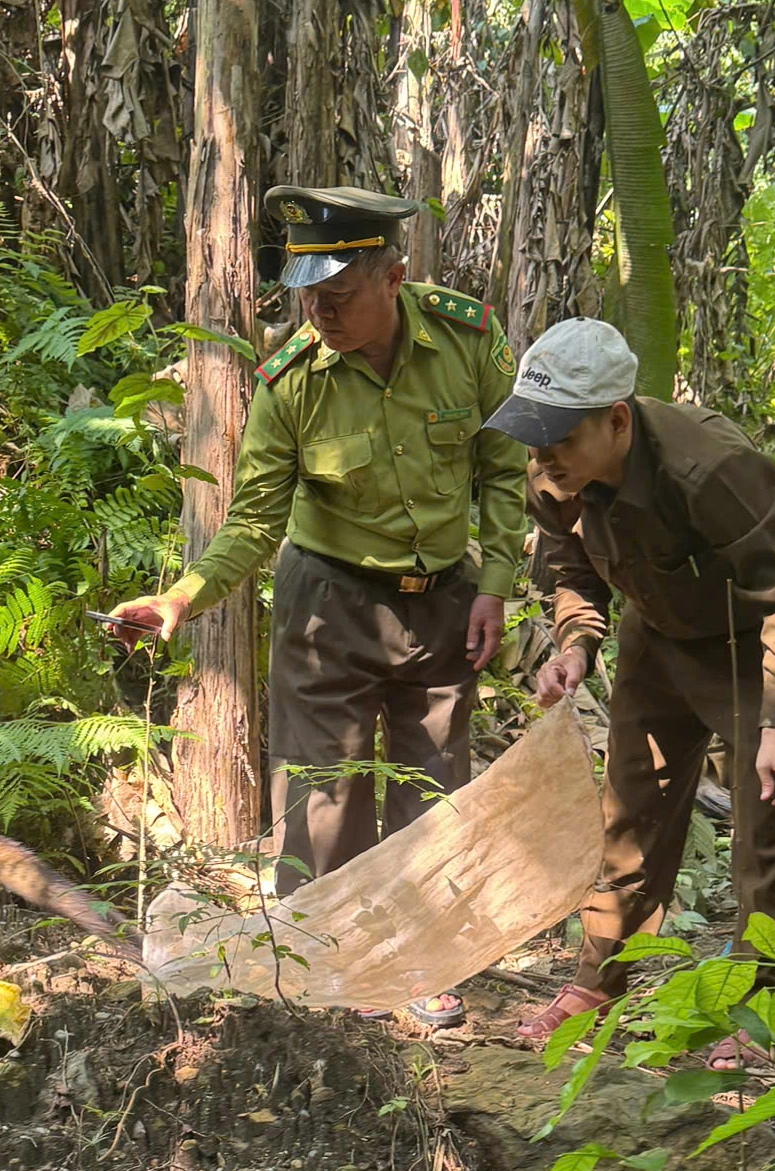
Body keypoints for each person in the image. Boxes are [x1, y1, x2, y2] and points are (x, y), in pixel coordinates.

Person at [110, 184, 528, 1028]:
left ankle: (422, 963)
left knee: (430, 792)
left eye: (336, 295)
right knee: (322, 800)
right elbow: (255, 519)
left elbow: (503, 470)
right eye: (307, 294)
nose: (318, 313)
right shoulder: (290, 381)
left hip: (443, 601)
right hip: (327, 603)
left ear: (394, 278)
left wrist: (494, 588)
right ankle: (320, 973)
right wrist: (183, 597)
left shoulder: (466, 341)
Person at [482, 318, 775, 1063]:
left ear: (615, 419)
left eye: (559, 440)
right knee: (629, 812)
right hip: (654, 639)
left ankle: (757, 1004)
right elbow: (569, 566)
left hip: (745, 646)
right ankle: (598, 978)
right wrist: (575, 644)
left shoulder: (712, 468)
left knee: (762, 826)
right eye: (532, 441)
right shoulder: (554, 468)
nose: (542, 458)